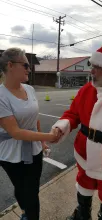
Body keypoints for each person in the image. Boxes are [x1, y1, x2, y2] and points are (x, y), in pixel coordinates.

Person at [51, 41, 102, 220]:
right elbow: (73, 113)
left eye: (97, 67)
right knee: (83, 185)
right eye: (93, 66)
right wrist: (62, 126)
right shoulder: (86, 90)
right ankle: (82, 215)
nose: (92, 71)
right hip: (84, 155)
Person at [0, 48, 60, 220]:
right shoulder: (1, 95)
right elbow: (15, 132)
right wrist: (49, 136)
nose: (29, 68)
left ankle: (27, 212)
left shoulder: (30, 89)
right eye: (25, 65)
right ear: (10, 65)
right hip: (11, 154)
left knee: (32, 189)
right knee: (22, 188)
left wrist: (42, 143)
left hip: (34, 150)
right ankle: (28, 211)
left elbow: (35, 119)